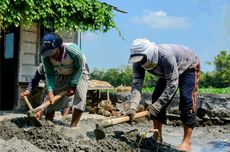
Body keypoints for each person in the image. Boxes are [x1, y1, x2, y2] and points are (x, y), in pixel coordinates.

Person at [127, 38, 200, 151]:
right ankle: (157, 135)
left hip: (188, 66)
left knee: (187, 100)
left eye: (142, 59)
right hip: (169, 73)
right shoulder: (138, 63)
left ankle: (186, 142)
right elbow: (137, 84)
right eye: (138, 60)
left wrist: (156, 107)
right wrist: (132, 107)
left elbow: (172, 84)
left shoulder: (165, 56)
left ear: (149, 53)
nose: (140, 63)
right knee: (156, 97)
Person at [40, 32, 89, 128]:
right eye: (48, 53)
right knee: (51, 99)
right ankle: (48, 126)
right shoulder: (46, 57)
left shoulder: (73, 52)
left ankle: (73, 127)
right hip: (61, 72)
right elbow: (50, 74)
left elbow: (79, 68)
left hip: (79, 71)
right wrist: (50, 91)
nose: (51, 56)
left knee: (80, 97)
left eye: (53, 52)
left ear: (60, 47)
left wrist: (73, 85)